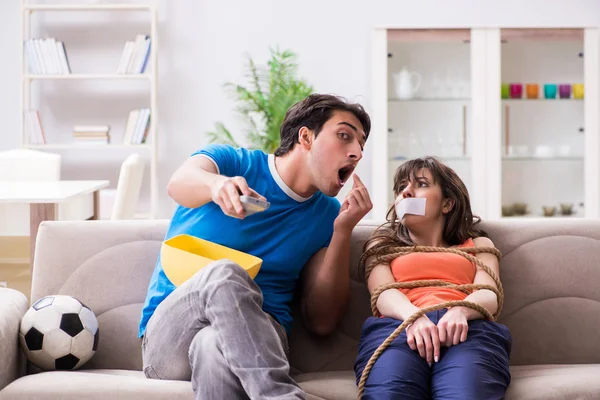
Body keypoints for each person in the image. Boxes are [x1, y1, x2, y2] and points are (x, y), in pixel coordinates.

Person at [139, 93, 373, 399]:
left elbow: (322, 321)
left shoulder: (327, 215)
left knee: (212, 346)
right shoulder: (230, 162)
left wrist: (342, 232)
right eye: (344, 136)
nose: (356, 152)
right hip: (169, 338)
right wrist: (215, 185)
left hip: (263, 335)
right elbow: (178, 184)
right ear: (306, 137)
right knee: (224, 272)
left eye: (361, 145)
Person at [354, 156, 512, 399]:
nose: (406, 192)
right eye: (401, 187)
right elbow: (382, 293)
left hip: (467, 330)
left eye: (421, 184)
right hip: (398, 328)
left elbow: (490, 293)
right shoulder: (381, 244)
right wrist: (413, 318)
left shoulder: (479, 244)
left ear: (447, 204)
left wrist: (461, 311)